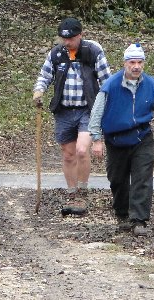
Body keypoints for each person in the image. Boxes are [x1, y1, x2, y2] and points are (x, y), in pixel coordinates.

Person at [88, 43, 154, 236]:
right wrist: (96, 140)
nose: (136, 66)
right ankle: (122, 214)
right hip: (116, 139)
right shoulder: (111, 86)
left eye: (140, 62)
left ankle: (139, 219)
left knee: (142, 179)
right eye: (132, 62)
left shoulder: (149, 83)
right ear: (125, 63)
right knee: (118, 180)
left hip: (142, 137)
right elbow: (96, 114)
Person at [33, 17, 111, 215]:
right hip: (64, 110)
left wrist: (108, 103)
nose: (67, 43)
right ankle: (72, 191)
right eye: (63, 39)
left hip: (88, 109)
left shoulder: (93, 51)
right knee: (68, 154)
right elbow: (45, 76)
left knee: (82, 150)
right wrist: (39, 90)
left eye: (71, 39)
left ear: (80, 36)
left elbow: (106, 80)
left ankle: (83, 190)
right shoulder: (57, 54)